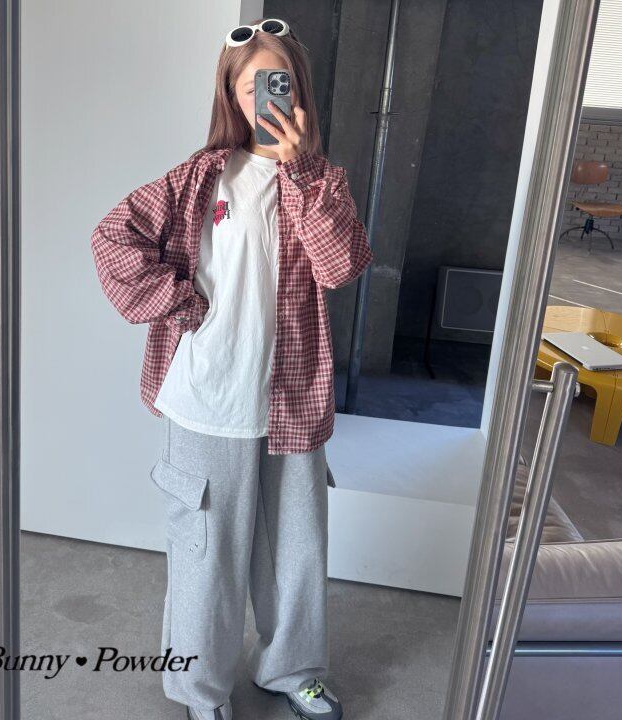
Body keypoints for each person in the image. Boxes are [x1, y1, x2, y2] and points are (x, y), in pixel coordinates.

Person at [90, 17, 373, 720]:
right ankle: (199, 689)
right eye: (252, 86)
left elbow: (340, 266)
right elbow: (113, 238)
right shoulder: (199, 178)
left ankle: (292, 670)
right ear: (231, 95)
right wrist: (179, 302)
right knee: (205, 554)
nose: (266, 97)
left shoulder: (323, 182)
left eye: (279, 82)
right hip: (207, 397)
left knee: (296, 552)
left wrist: (299, 169)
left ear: (299, 90)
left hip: (291, 400)